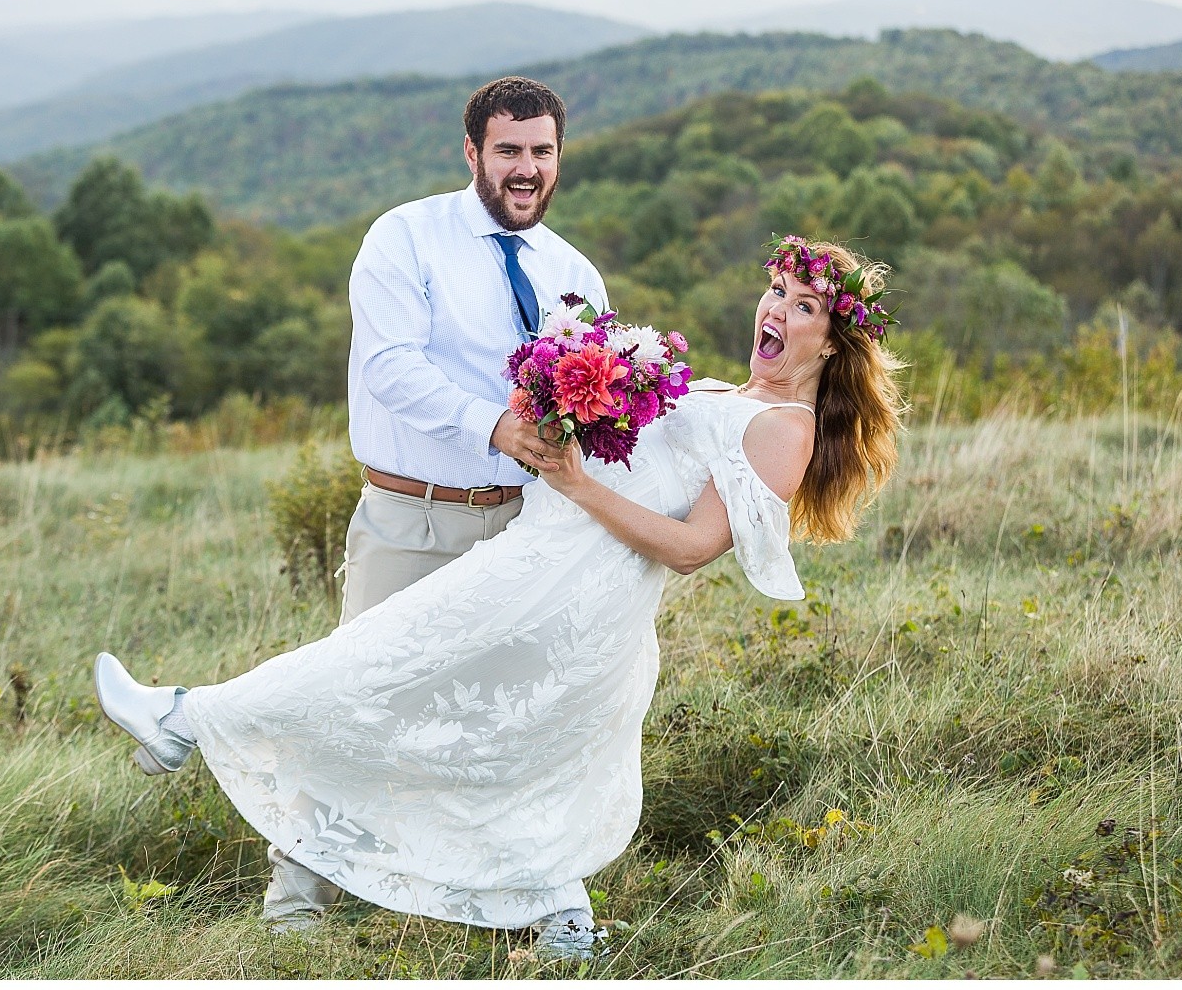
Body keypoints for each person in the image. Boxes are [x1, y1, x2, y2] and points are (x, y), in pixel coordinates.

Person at [94, 237, 903, 957]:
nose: (779, 310)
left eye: (805, 307)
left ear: (833, 343)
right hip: (540, 562)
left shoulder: (786, 427)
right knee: (489, 731)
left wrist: (579, 485)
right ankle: (558, 917)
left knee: (388, 673)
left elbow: (692, 548)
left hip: (575, 593)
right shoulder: (734, 395)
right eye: (778, 291)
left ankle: (181, 718)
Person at [341, 75, 607, 623]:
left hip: (528, 528)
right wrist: (494, 426)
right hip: (415, 528)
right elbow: (389, 366)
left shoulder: (575, 272)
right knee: (368, 701)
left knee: (503, 707)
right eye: (507, 150)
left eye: (542, 151)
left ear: (559, 157)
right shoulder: (404, 236)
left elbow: (594, 392)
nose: (526, 169)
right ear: (472, 152)